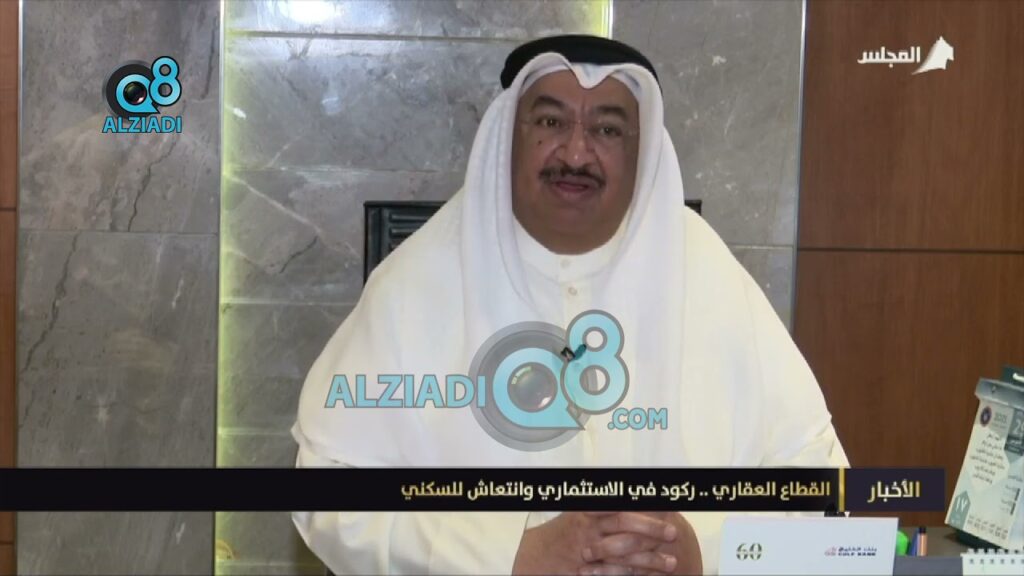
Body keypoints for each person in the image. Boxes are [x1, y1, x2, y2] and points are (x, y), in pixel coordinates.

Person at [291, 34, 849, 575]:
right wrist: (506, 557)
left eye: (607, 129)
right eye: (550, 122)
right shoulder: (417, 282)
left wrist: (704, 551)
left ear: (640, 151)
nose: (577, 153)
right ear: (509, 136)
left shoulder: (708, 274)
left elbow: (823, 492)